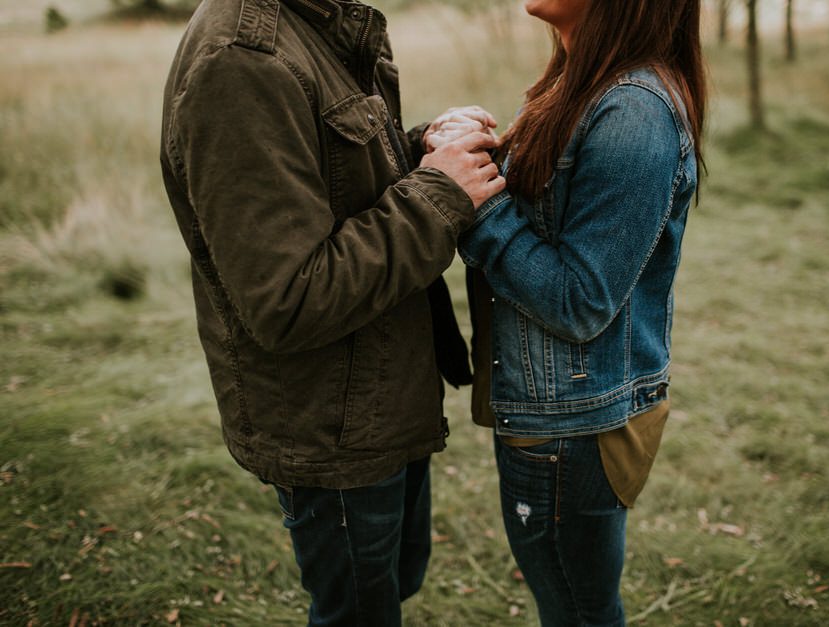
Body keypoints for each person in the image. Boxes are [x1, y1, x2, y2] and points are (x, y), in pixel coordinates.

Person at [159, 0, 504, 624]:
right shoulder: (242, 61)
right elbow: (287, 297)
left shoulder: (313, 22)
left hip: (379, 391)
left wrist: (423, 148)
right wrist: (439, 194)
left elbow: (328, 182)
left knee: (389, 589)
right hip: (333, 420)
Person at [443, 0, 707, 624]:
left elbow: (579, 300)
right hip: (554, 415)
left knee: (579, 613)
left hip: (574, 428)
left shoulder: (633, 110)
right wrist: (462, 149)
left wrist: (474, 203)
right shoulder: (579, 82)